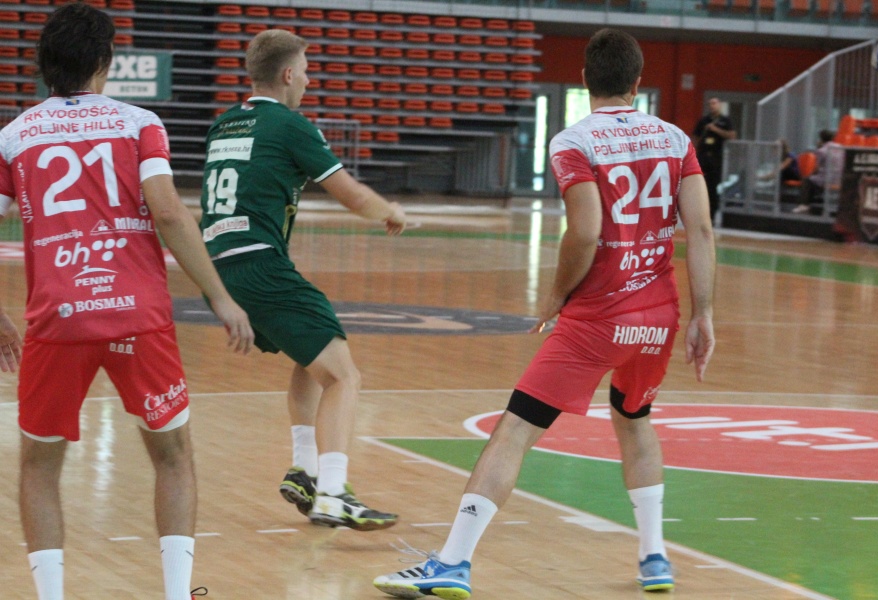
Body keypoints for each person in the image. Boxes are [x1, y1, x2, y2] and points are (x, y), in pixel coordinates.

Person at [374, 28, 716, 597]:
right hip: (658, 317)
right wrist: (704, 314)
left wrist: (557, 295)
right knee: (634, 421)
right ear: (637, 83)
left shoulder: (574, 141)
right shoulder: (676, 139)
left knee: (514, 430)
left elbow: (585, 231)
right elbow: (700, 230)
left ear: (584, 79)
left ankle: (453, 562)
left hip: (598, 319)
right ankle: (655, 557)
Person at [0, 4, 254, 600]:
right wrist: (220, 297)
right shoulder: (139, 123)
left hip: (57, 319)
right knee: (172, 455)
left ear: (44, 65)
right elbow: (168, 213)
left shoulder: (13, 137)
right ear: (104, 63)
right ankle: (176, 593)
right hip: (137, 316)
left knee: (39, 465)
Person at [198, 29, 406, 531]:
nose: (310, 81)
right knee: (344, 376)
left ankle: (304, 470)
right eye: (307, 72)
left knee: (313, 356)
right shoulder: (290, 125)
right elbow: (353, 196)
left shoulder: (224, 124)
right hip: (260, 264)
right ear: (289, 74)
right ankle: (334, 495)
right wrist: (391, 211)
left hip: (217, 266)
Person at [693, 96, 736, 220]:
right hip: (703, 156)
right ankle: (698, 213)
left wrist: (715, 129)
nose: (712, 106)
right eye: (710, 103)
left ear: (719, 105)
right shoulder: (704, 120)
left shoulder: (725, 120)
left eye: (714, 103)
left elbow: (732, 135)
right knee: (700, 185)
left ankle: (711, 214)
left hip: (716, 157)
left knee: (713, 187)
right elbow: (695, 136)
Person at [792, 129, 842, 214]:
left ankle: (804, 205)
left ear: (821, 138)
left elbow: (816, 168)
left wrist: (810, 175)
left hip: (827, 179)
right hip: (839, 179)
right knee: (814, 180)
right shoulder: (840, 147)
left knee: (807, 180)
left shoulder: (822, 150)